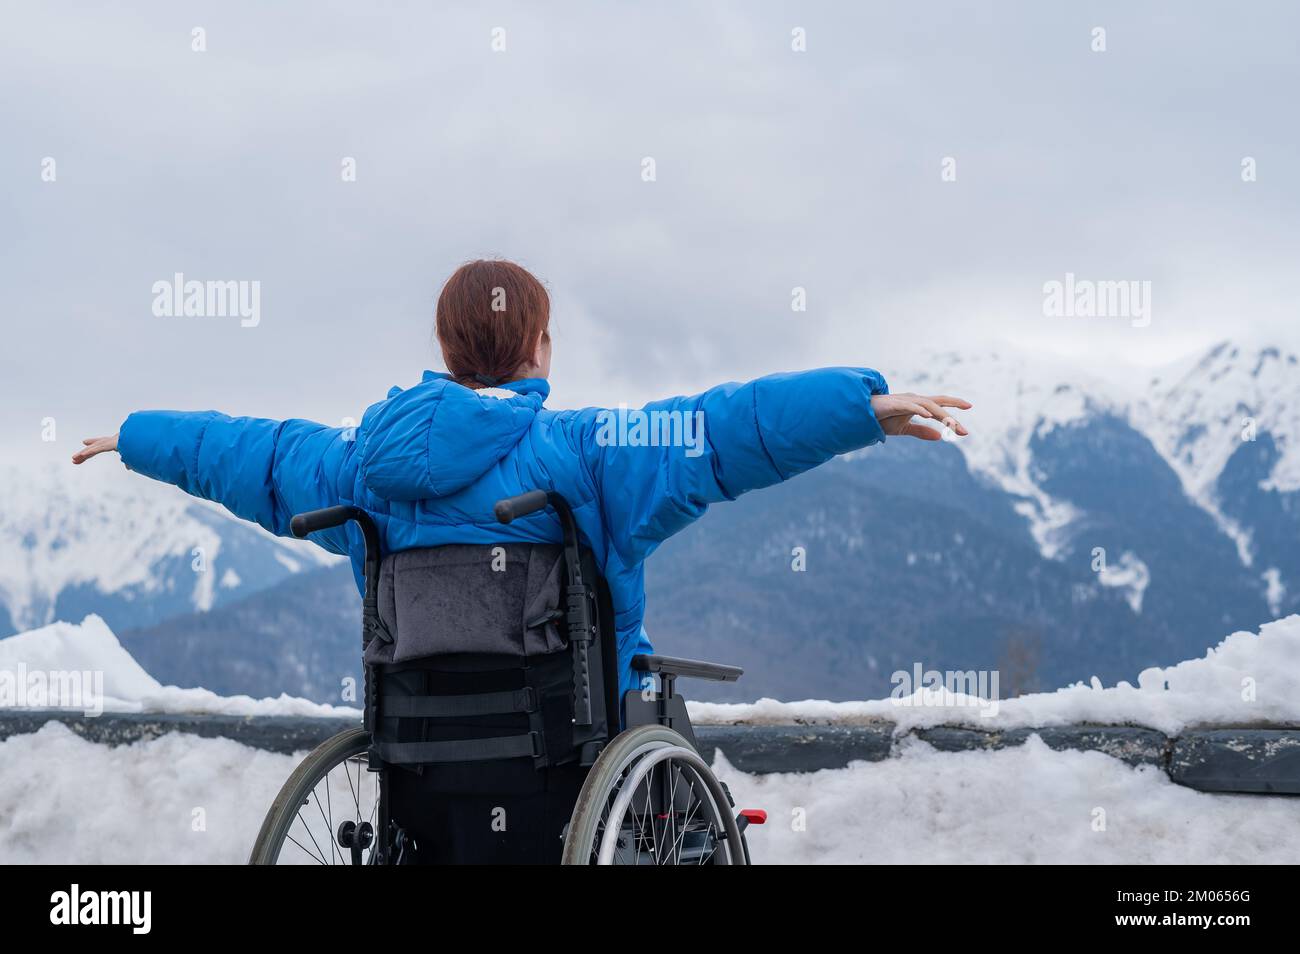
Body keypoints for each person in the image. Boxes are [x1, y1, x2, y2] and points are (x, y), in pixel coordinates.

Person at [74, 259, 970, 701]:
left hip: (420, 752)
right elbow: (725, 428)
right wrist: (863, 405)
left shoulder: (360, 465)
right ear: (537, 349)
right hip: (573, 748)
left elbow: (253, 456)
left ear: (445, 350)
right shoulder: (589, 450)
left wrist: (135, 434)